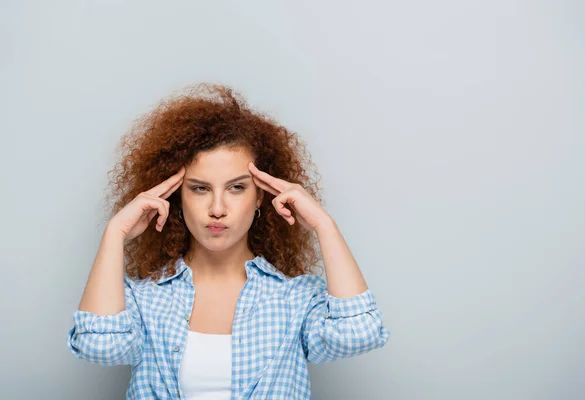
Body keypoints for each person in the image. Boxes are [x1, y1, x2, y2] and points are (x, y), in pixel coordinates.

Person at [65, 83, 390, 399]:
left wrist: (323, 225)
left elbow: (358, 334)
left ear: (260, 196)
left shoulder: (295, 300)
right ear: (176, 196)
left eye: (236, 187)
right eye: (200, 188)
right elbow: (99, 347)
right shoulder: (145, 300)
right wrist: (115, 234)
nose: (217, 209)